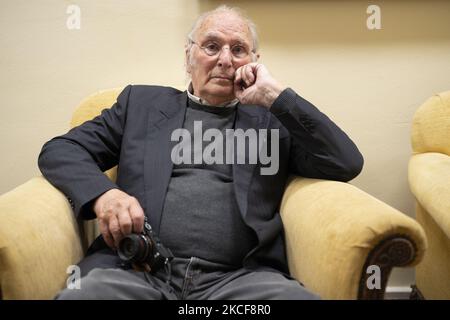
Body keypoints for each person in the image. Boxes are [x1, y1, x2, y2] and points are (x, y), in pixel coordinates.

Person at [38, 5, 363, 300]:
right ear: (188, 56)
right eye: (211, 46)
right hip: (136, 273)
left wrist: (277, 97)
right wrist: (104, 195)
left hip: (239, 282)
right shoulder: (141, 105)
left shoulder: (272, 121)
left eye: (238, 50)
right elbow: (62, 150)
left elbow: (345, 161)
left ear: (253, 63)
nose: (225, 59)